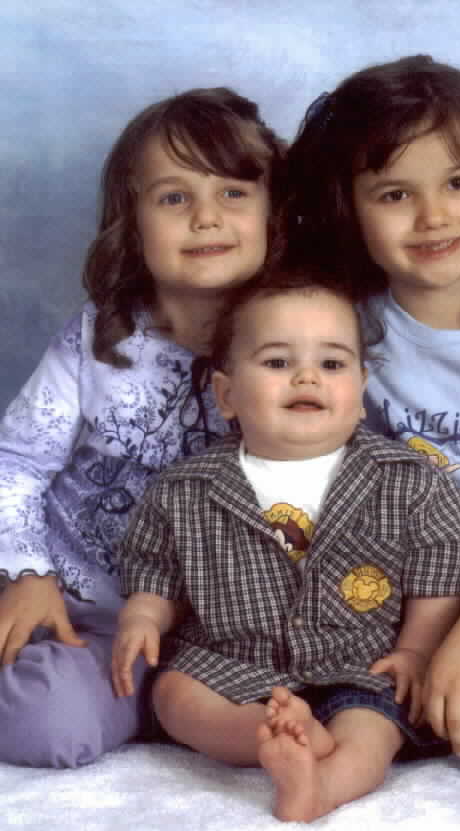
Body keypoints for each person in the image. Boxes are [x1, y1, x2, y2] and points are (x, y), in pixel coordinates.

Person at [112, 270, 460, 823]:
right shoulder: (185, 487)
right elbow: (155, 571)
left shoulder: (411, 482)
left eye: (332, 364)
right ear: (227, 394)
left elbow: (440, 579)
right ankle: (266, 735)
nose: (306, 376)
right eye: (278, 362)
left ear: (361, 392)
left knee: (374, 729)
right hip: (232, 661)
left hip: (363, 665)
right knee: (175, 696)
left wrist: (416, 653)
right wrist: (143, 615)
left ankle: (322, 783)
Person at [282, 54, 460, 777]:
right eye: (396, 193)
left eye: (459, 183)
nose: (434, 216)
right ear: (349, 207)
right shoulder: (346, 328)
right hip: (414, 603)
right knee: (318, 671)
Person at [0, 86, 285, 768]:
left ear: (277, 212)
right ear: (133, 221)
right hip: (83, 613)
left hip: (226, 633)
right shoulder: (100, 339)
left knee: (291, 713)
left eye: (234, 193)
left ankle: (161, 709)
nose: (205, 217)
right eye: (173, 198)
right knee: (49, 726)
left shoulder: (302, 337)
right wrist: (28, 573)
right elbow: (17, 462)